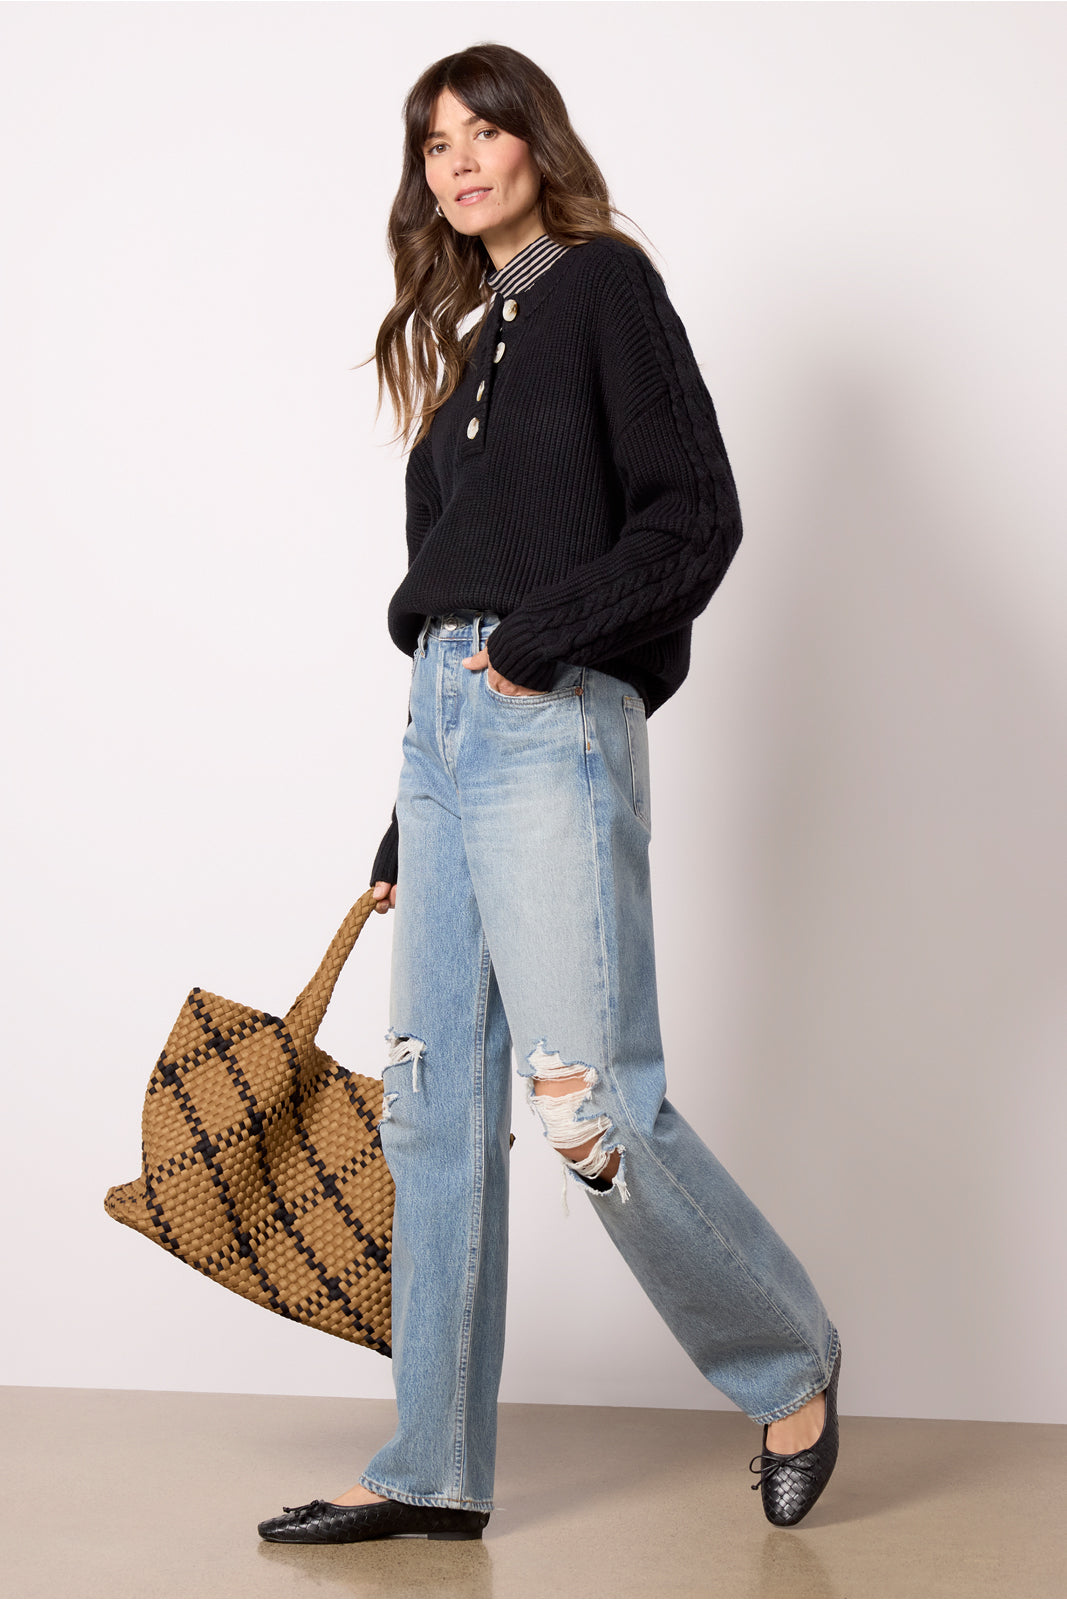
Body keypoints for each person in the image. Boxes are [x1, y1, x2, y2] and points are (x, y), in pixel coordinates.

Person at [258, 41, 841, 1546]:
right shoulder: (467, 352)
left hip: (546, 722)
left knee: (592, 1109)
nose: (458, 161)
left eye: (483, 131)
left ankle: (788, 1362)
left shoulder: (602, 289)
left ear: (536, 143)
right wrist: (409, 815)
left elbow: (693, 518)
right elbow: (446, 584)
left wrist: (537, 644)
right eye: (433, 143)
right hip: (441, 740)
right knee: (431, 1114)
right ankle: (430, 1468)